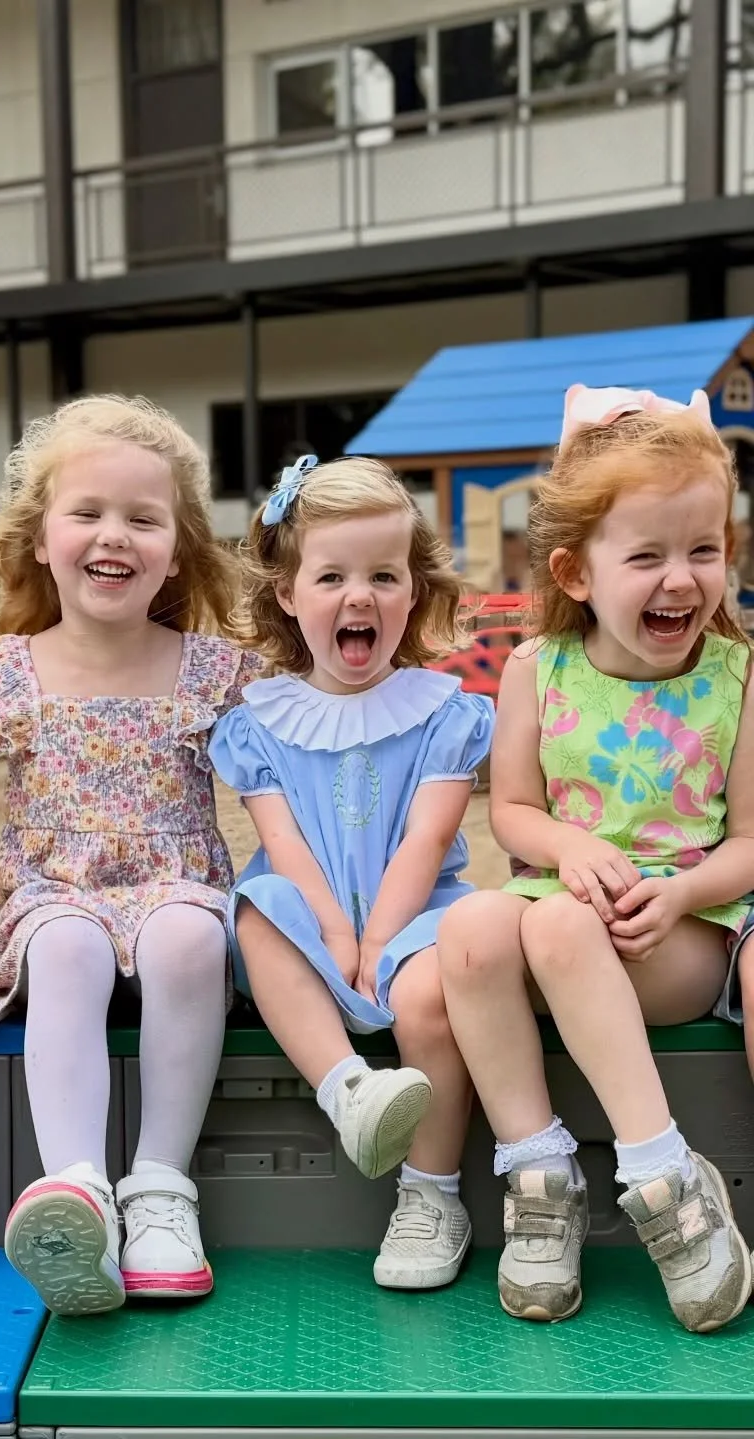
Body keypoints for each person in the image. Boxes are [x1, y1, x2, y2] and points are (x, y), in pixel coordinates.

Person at [438, 385, 754, 1333]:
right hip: (554, 917)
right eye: (647, 554)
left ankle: (665, 1177)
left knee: (559, 925)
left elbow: (748, 842)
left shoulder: (736, 678)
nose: (680, 579)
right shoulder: (538, 668)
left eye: (702, 551)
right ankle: (539, 1173)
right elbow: (516, 812)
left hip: (680, 933)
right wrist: (571, 845)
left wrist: (685, 889)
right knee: (472, 922)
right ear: (577, 572)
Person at [0, 395, 259, 1316]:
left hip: (176, 886)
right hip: (53, 894)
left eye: (142, 518)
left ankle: (159, 1188)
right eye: (87, 512)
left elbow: (280, 778)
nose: (113, 535)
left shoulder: (211, 670)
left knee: (190, 940)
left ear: (176, 548)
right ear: (40, 538)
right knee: (68, 949)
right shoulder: (10, 669)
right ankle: (74, 1190)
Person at [210, 455, 491, 1291]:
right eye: (330, 575)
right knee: (258, 909)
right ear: (290, 594)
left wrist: (376, 939)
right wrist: (334, 929)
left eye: (383, 574)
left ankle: (432, 1192)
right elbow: (280, 839)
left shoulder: (442, 711)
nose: (358, 595)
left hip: (415, 914)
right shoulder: (262, 719)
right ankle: (348, 1092)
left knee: (432, 992)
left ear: (414, 590)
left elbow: (426, 838)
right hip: (311, 915)